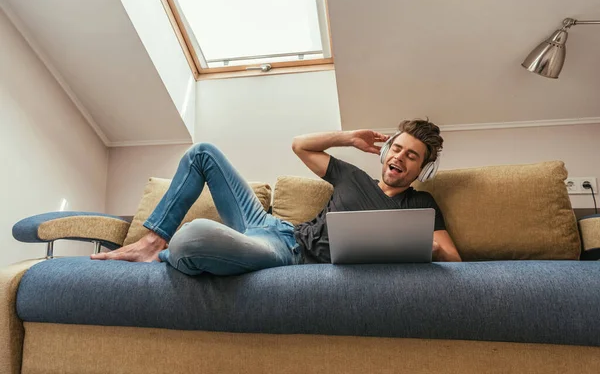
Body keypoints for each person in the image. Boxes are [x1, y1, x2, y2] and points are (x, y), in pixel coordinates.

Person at [91, 118, 461, 275]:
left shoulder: (420, 204)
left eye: (411, 156)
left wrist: (426, 248)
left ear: (421, 169)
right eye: (396, 148)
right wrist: (346, 138)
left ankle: (179, 250)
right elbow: (300, 145)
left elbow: (454, 260)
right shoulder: (352, 175)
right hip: (273, 226)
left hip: (288, 254)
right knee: (203, 152)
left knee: (193, 237)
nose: (399, 157)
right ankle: (153, 242)